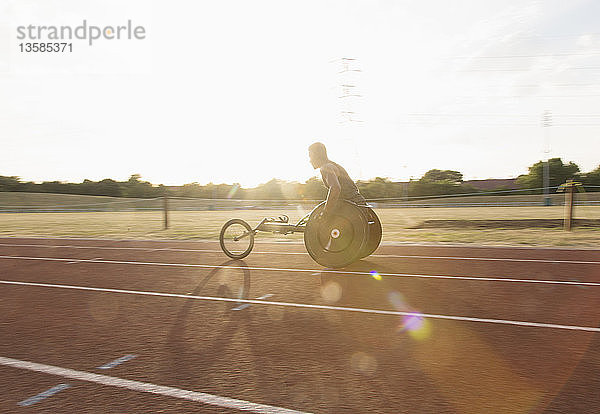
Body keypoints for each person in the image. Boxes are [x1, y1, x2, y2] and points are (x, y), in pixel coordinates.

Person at [308, 142, 367, 217]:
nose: (309, 160)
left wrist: (325, 212)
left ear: (317, 156)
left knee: (320, 221)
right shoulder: (332, 165)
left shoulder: (326, 167)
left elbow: (335, 188)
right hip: (361, 205)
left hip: (352, 208)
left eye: (310, 156)